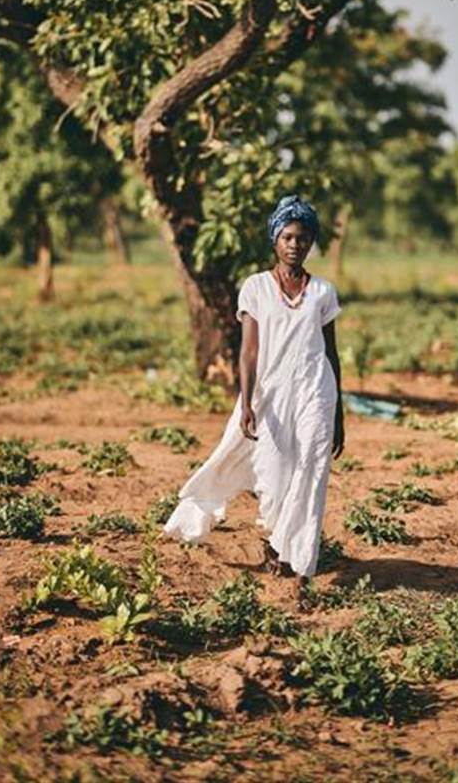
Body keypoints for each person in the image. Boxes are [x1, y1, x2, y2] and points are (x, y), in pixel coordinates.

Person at [163, 194, 345, 607]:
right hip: (270, 394)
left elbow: (331, 354)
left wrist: (339, 414)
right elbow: (248, 352)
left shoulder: (322, 292)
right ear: (275, 240)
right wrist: (246, 403)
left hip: (316, 391)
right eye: (288, 237)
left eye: (303, 238)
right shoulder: (257, 288)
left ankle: (299, 563)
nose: (295, 244)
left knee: (312, 473)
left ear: (312, 242)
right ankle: (278, 539)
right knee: (275, 475)